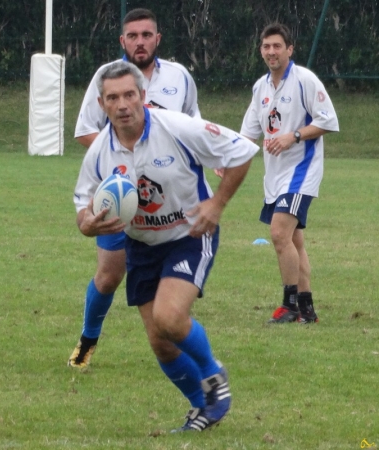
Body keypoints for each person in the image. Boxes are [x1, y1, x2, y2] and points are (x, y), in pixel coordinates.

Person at [73, 61, 259, 431]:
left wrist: (217, 204)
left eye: (129, 94)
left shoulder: (176, 127)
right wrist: (88, 225)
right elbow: (83, 205)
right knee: (161, 343)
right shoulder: (99, 153)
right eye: (113, 98)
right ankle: (204, 408)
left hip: (189, 236)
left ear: (143, 96)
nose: (123, 104)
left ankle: (213, 374)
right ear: (102, 104)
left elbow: (242, 151)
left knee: (169, 317)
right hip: (141, 246)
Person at [69, 8, 200, 368]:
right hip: (120, 196)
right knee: (110, 275)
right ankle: (87, 340)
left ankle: (176, 338)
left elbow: (194, 126)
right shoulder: (106, 77)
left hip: (164, 198)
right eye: (132, 36)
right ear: (122, 41)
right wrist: (123, 159)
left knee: (166, 279)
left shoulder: (180, 77)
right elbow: (84, 130)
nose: (139, 42)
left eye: (146, 35)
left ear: (157, 39)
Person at [240, 23, 339, 324]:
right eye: (266, 46)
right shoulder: (261, 87)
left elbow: (328, 120)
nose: (271, 51)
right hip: (275, 177)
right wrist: (227, 159)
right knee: (294, 242)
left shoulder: (304, 80)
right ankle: (307, 310)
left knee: (279, 233)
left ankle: (290, 305)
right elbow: (248, 134)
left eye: (277, 46)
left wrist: (293, 136)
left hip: (301, 172)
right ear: (261, 50)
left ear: (289, 49)